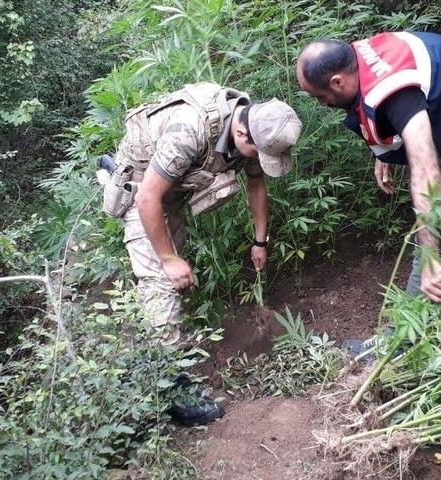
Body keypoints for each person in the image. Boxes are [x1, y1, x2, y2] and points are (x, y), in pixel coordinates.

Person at [296, 32, 441, 358]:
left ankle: (399, 346)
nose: (322, 104)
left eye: (319, 96)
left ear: (338, 81)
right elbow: (381, 110)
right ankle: (421, 325)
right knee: (436, 234)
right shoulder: (359, 60)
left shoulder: (394, 91)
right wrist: (381, 153)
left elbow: (425, 172)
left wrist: (429, 256)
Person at [102, 82, 302, 425]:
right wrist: (168, 259)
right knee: (161, 283)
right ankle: (173, 391)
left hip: (174, 188)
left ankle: (149, 351)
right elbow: (148, 198)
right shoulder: (189, 130)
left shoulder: (257, 124)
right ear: (241, 133)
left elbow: (256, 184)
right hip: (142, 188)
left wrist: (260, 241)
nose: (258, 161)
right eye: (258, 154)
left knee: (169, 278)